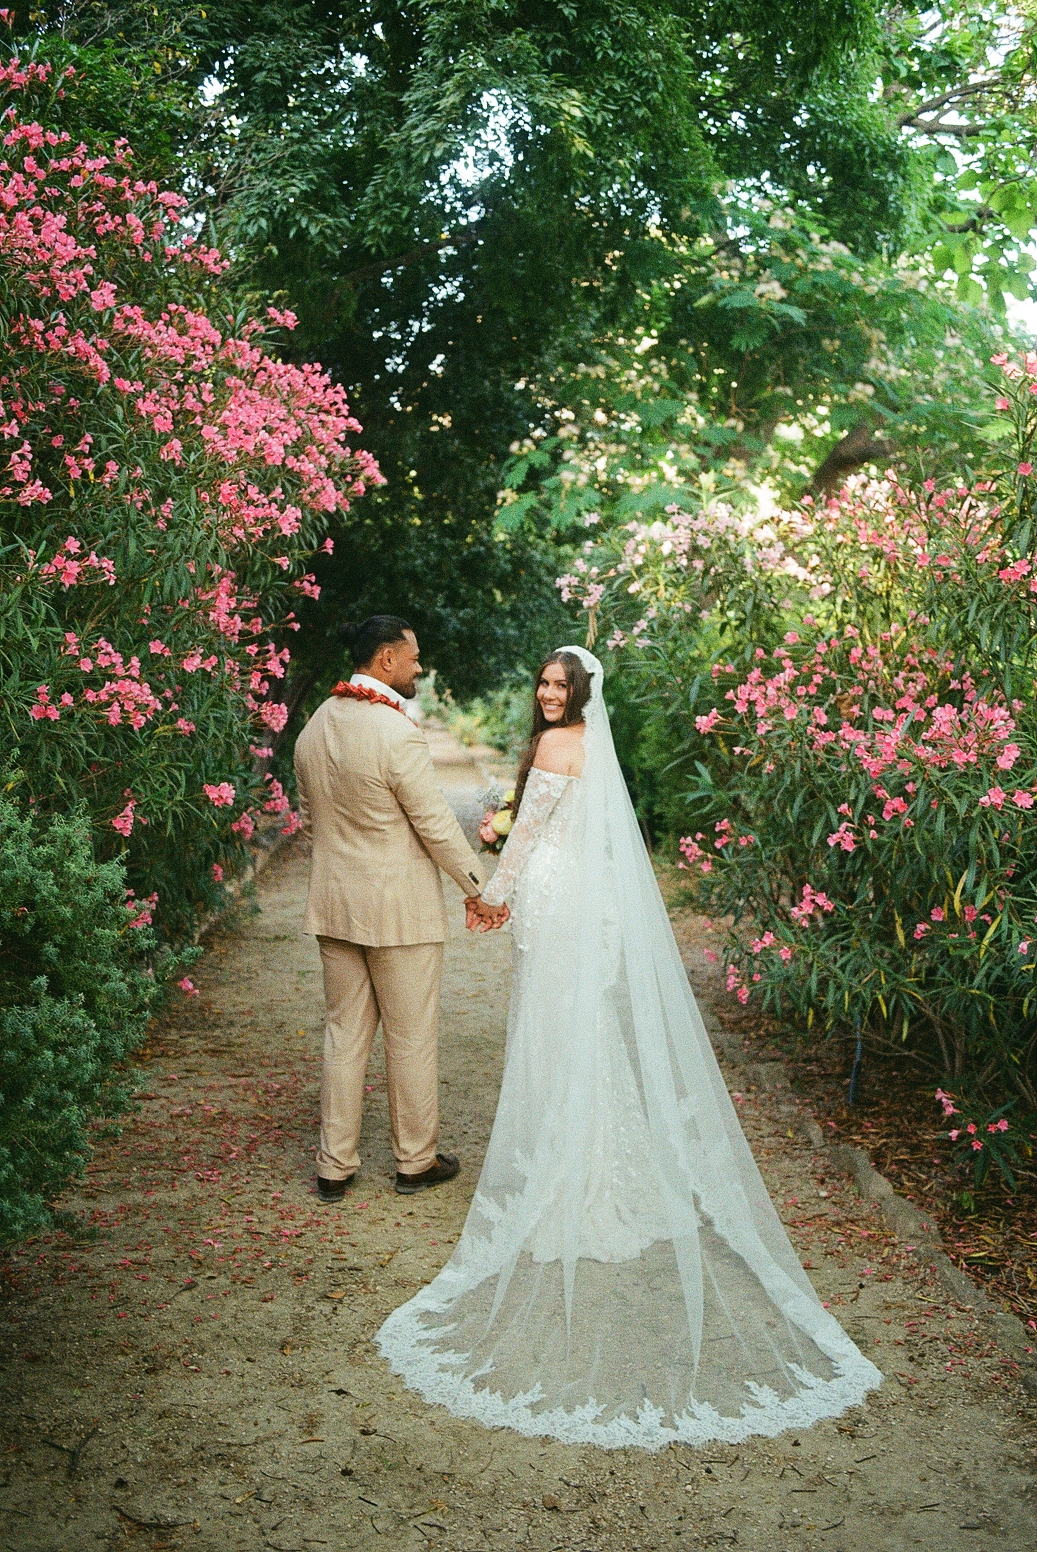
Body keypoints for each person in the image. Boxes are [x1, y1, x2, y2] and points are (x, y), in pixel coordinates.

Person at [376, 645, 881, 1449]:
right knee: (578, 1034)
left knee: (549, 1032)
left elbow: (531, 833)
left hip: (548, 900)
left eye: (558, 685)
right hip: (584, 901)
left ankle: (566, 1176)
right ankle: (591, 1162)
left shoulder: (551, 746)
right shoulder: (595, 746)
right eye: (540, 682)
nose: (546, 694)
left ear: (579, 693)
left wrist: (490, 896)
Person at [293, 614, 506, 1204]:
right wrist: (477, 886)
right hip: (399, 912)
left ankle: (333, 1167)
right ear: (385, 659)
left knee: (342, 1034)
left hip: (334, 904)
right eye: (413, 658)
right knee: (411, 1039)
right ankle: (414, 1162)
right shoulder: (396, 733)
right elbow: (434, 823)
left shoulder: (314, 726)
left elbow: (314, 821)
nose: (419, 667)